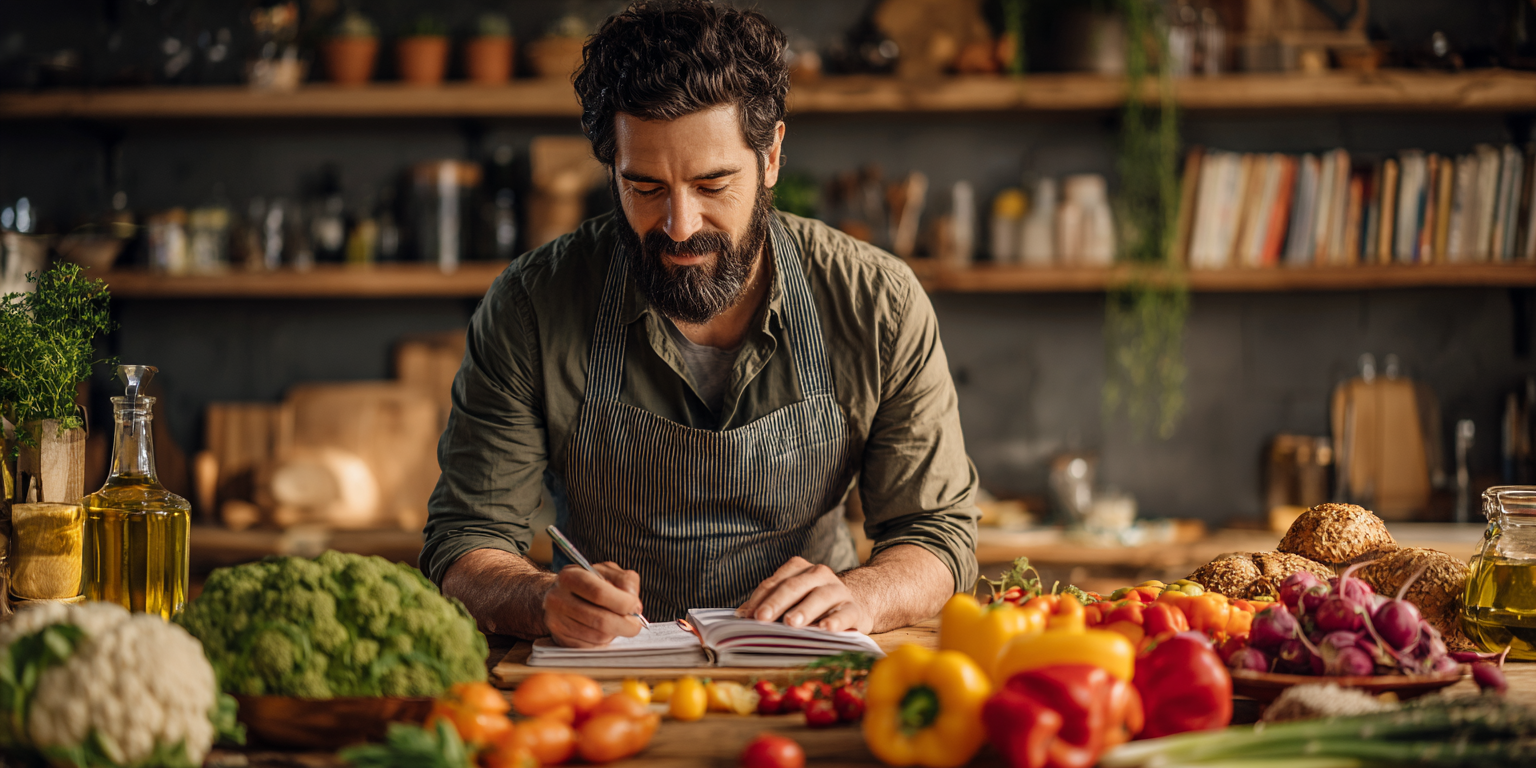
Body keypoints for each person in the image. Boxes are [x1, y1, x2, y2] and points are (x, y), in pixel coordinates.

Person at [421, 0, 978, 648]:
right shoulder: (530, 308)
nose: (680, 227)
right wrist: (541, 598)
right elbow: (467, 542)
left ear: (771, 157)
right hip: (604, 677)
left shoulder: (876, 303)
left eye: (714, 184)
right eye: (645, 187)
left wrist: (865, 593)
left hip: (808, 667)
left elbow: (938, 535)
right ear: (610, 168)